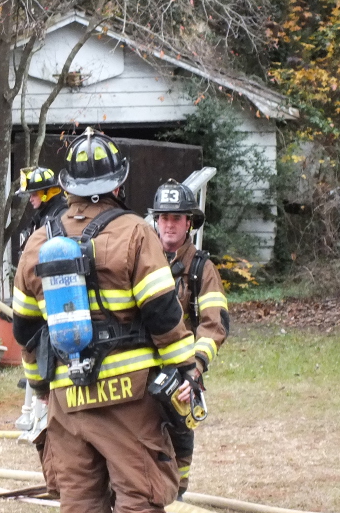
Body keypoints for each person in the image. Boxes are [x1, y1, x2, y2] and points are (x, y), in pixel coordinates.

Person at [12, 128, 197, 513]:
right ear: (119, 183)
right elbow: (163, 313)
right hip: (128, 398)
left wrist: (42, 389)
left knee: (79, 502)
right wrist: (188, 369)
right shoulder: (135, 233)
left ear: (68, 187)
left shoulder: (37, 243)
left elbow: (25, 331)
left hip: (68, 400)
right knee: (139, 498)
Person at [151, 179, 229, 499]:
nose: (169, 225)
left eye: (177, 218)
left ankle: (177, 496)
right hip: (140, 368)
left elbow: (214, 326)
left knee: (180, 440)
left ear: (189, 224)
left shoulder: (201, 268)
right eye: (164, 218)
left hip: (182, 374)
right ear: (155, 221)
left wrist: (194, 370)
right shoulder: (142, 260)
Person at [16, 166, 68, 250]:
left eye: (34, 194)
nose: (30, 199)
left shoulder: (60, 214)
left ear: (46, 194)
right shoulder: (45, 213)